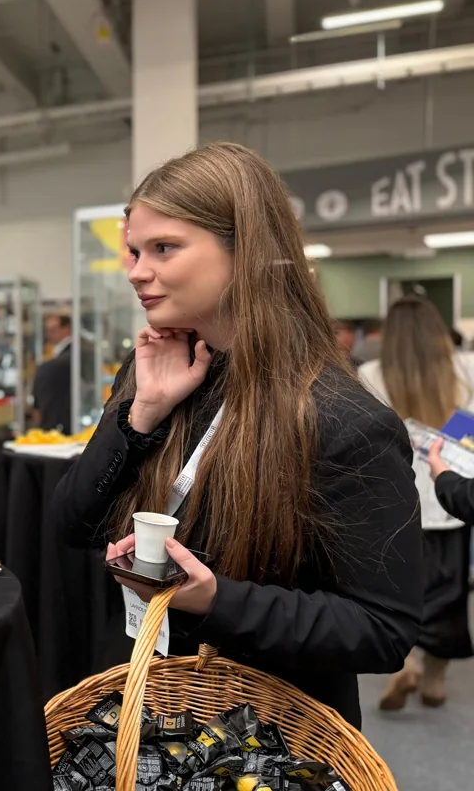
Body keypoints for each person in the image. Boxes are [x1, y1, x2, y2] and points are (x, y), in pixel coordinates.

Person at [51, 142, 420, 729]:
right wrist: (140, 414)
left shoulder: (344, 421)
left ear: (244, 249)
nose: (137, 272)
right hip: (149, 708)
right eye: (134, 251)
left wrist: (212, 598)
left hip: (263, 738)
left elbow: (382, 629)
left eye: (164, 248)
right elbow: (70, 524)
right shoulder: (154, 372)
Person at [358, 295, 474, 710]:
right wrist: (443, 436)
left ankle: (404, 664)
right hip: (450, 500)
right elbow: (471, 428)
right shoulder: (465, 369)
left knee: (399, 592)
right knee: (449, 598)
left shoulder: (371, 373)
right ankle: (436, 681)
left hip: (397, 502)